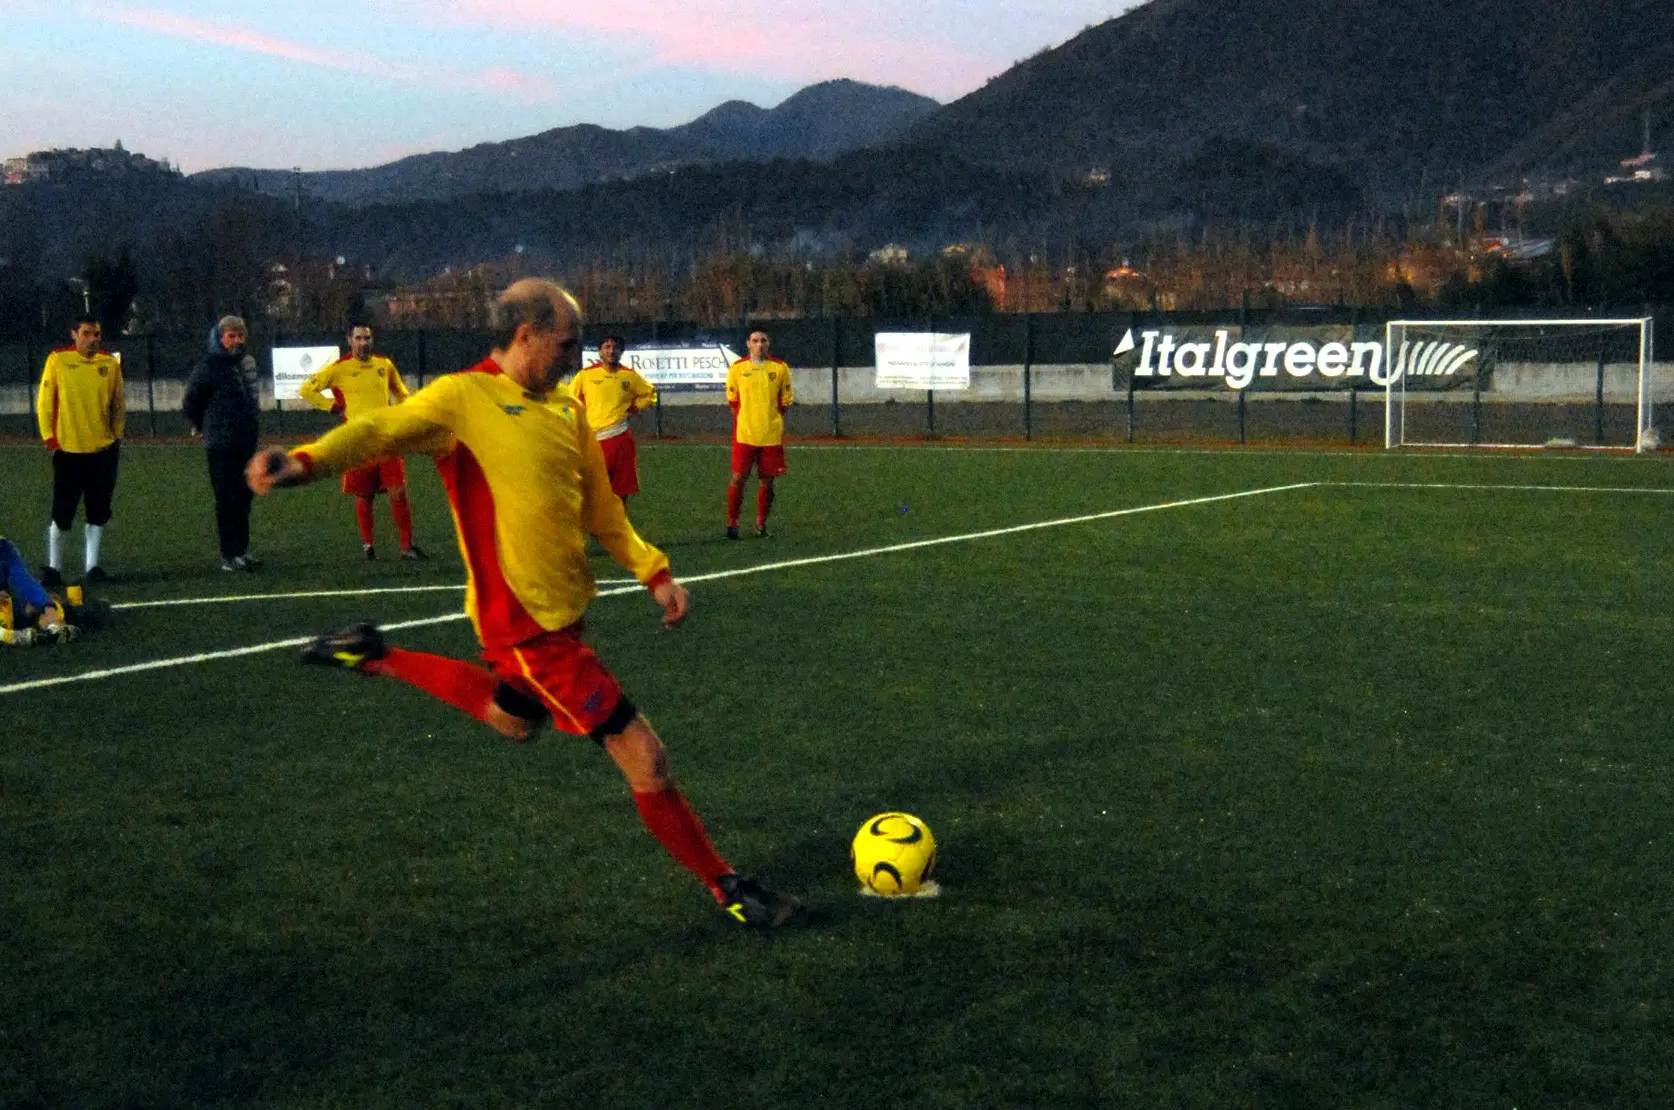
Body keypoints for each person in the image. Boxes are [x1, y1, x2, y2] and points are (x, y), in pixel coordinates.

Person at [246, 278, 802, 929]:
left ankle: (372, 654)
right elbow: (378, 429)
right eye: (565, 343)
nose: (575, 355)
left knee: (512, 717)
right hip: (523, 625)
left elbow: (602, 509)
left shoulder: (567, 409)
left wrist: (654, 573)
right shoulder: (464, 397)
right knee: (643, 754)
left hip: (565, 616)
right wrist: (305, 461)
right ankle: (727, 886)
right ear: (525, 335)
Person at [297, 322, 427, 560]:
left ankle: (407, 546)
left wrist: (405, 412)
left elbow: (401, 392)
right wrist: (331, 406)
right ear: (349, 340)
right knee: (364, 494)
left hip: (387, 438)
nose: (363, 343)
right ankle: (368, 546)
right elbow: (307, 389)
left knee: (398, 491)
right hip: (357, 440)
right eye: (358, 338)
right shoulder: (339, 368)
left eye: (367, 338)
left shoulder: (383, 364)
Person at [36, 314, 124, 587]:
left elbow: (118, 404)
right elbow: (45, 403)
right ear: (74, 334)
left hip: (102, 451)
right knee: (62, 511)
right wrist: (50, 439)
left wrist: (115, 438)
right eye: (86, 333)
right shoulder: (58, 360)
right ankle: (54, 568)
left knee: (98, 510)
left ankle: (92, 566)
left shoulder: (110, 363)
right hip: (69, 451)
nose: (93, 339)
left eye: (96, 334)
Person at [183, 315, 263, 572]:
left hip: (246, 441)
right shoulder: (208, 365)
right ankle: (229, 555)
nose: (237, 340)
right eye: (231, 336)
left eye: (240, 335)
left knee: (244, 496)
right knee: (227, 498)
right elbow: (190, 402)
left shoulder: (248, 363)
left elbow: (253, 400)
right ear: (220, 338)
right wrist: (205, 426)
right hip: (220, 443)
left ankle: (242, 550)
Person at [569, 334, 657, 506]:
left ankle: (619, 528)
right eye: (607, 347)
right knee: (593, 489)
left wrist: (635, 407)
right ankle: (598, 528)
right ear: (600, 352)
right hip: (594, 440)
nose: (611, 351)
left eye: (615, 347)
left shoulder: (629, 376)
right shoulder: (585, 375)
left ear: (621, 351)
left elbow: (649, 393)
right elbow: (569, 400)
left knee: (621, 491)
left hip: (620, 438)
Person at [724, 328, 794, 539]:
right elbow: (733, 402)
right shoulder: (737, 368)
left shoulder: (780, 368)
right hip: (745, 435)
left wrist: (770, 420)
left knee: (768, 481)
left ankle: (761, 524)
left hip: (770, 436)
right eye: (755, 340)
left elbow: (785, 402)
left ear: (768, 343)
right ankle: (732, 523)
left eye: (763, 340)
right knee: (738, 478)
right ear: (748, 343)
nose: (759, 344)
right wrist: (748, 420)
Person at [1, 531, 79, 646]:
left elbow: (24, 580)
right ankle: (9, 636)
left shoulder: (4, 548)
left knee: (33, 607)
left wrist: (47, 606)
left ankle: (53, 628)